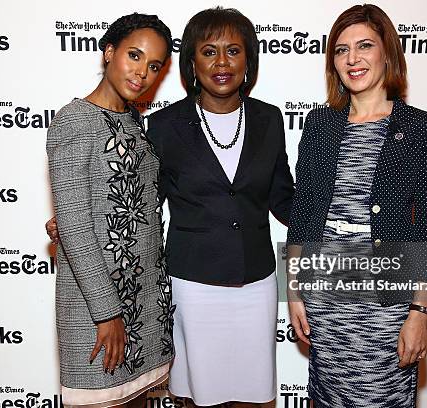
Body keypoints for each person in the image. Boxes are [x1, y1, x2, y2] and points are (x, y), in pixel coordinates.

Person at [48, 7, 293, 407]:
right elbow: (144, 198)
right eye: (209, 51)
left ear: (249, 59)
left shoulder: (269, 118)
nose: (222, 62)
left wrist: (333, 218)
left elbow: (283, 195)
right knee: (195, 396)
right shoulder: (162, 125)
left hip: (256, 281)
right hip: (191, 284)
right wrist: (72, 219)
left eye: (234, 50)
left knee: (256, 394)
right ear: (191, 63)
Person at [286, 4, 427, 408]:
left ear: (387, 53)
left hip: (387, 307)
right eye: (341, 51)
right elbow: (303, 215)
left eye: (364, 46)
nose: (352, 59)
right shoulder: (320, 125)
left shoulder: (426, 130)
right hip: (324, 297)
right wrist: (293, 293)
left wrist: (418, 313)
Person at [46, 14, 174, 408]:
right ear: (109, 52)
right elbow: (77, 227)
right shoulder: (75, 120)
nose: (142, 73)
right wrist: (107, 314)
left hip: (144, 302)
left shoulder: (134, 122)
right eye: (134, 56)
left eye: (154, 65)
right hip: (98, 307)